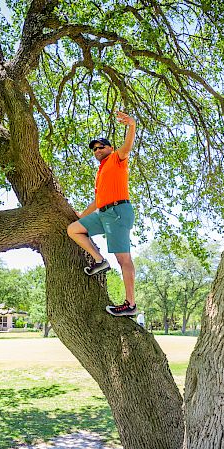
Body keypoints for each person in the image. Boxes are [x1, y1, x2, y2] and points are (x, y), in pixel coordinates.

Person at [67, 111, 138, 317]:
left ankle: (130, 304)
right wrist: (80, 215)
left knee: (123, 259)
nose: (97, 150)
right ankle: (100, 260)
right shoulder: (101, 173)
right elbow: (98, 201)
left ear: (110, 148)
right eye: (94, 149)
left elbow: (127, 147)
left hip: (117, 211)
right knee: (74, 229)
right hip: (104, 212)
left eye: (101, 146)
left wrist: (131, 125)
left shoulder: (117, 159)